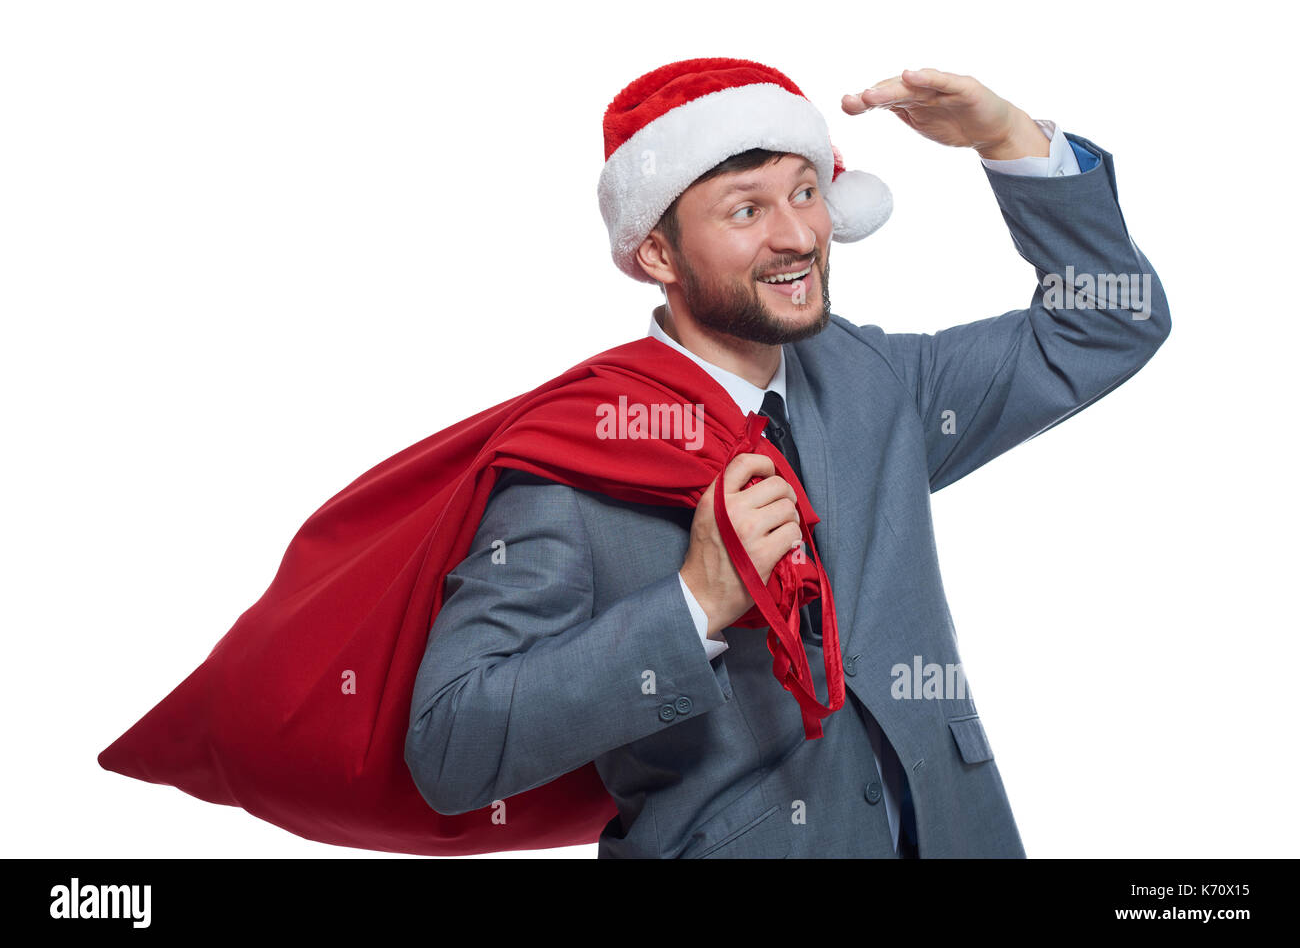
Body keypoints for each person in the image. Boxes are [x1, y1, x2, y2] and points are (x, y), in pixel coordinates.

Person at [404, 57, 1170, 858]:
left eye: (806, 192)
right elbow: (451, 747)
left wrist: (1008, 139)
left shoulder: (876, 385)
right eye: (746, 210)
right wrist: (694, 602)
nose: (800, 236)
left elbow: (1109, 323)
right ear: (659, 255)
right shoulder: (574, 461)